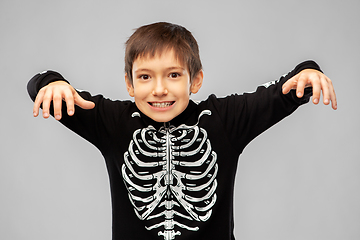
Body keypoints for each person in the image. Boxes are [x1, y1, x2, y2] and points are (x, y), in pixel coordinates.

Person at [27, 22, 337, 240]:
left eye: (174, 75)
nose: (159, 89)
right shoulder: (114, 123)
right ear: (130, 86)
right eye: (145, 77)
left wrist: (309, 70)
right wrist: (51, 82)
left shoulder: (222, 120)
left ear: (196, 80)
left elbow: (286, 89)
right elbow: (45, 87)